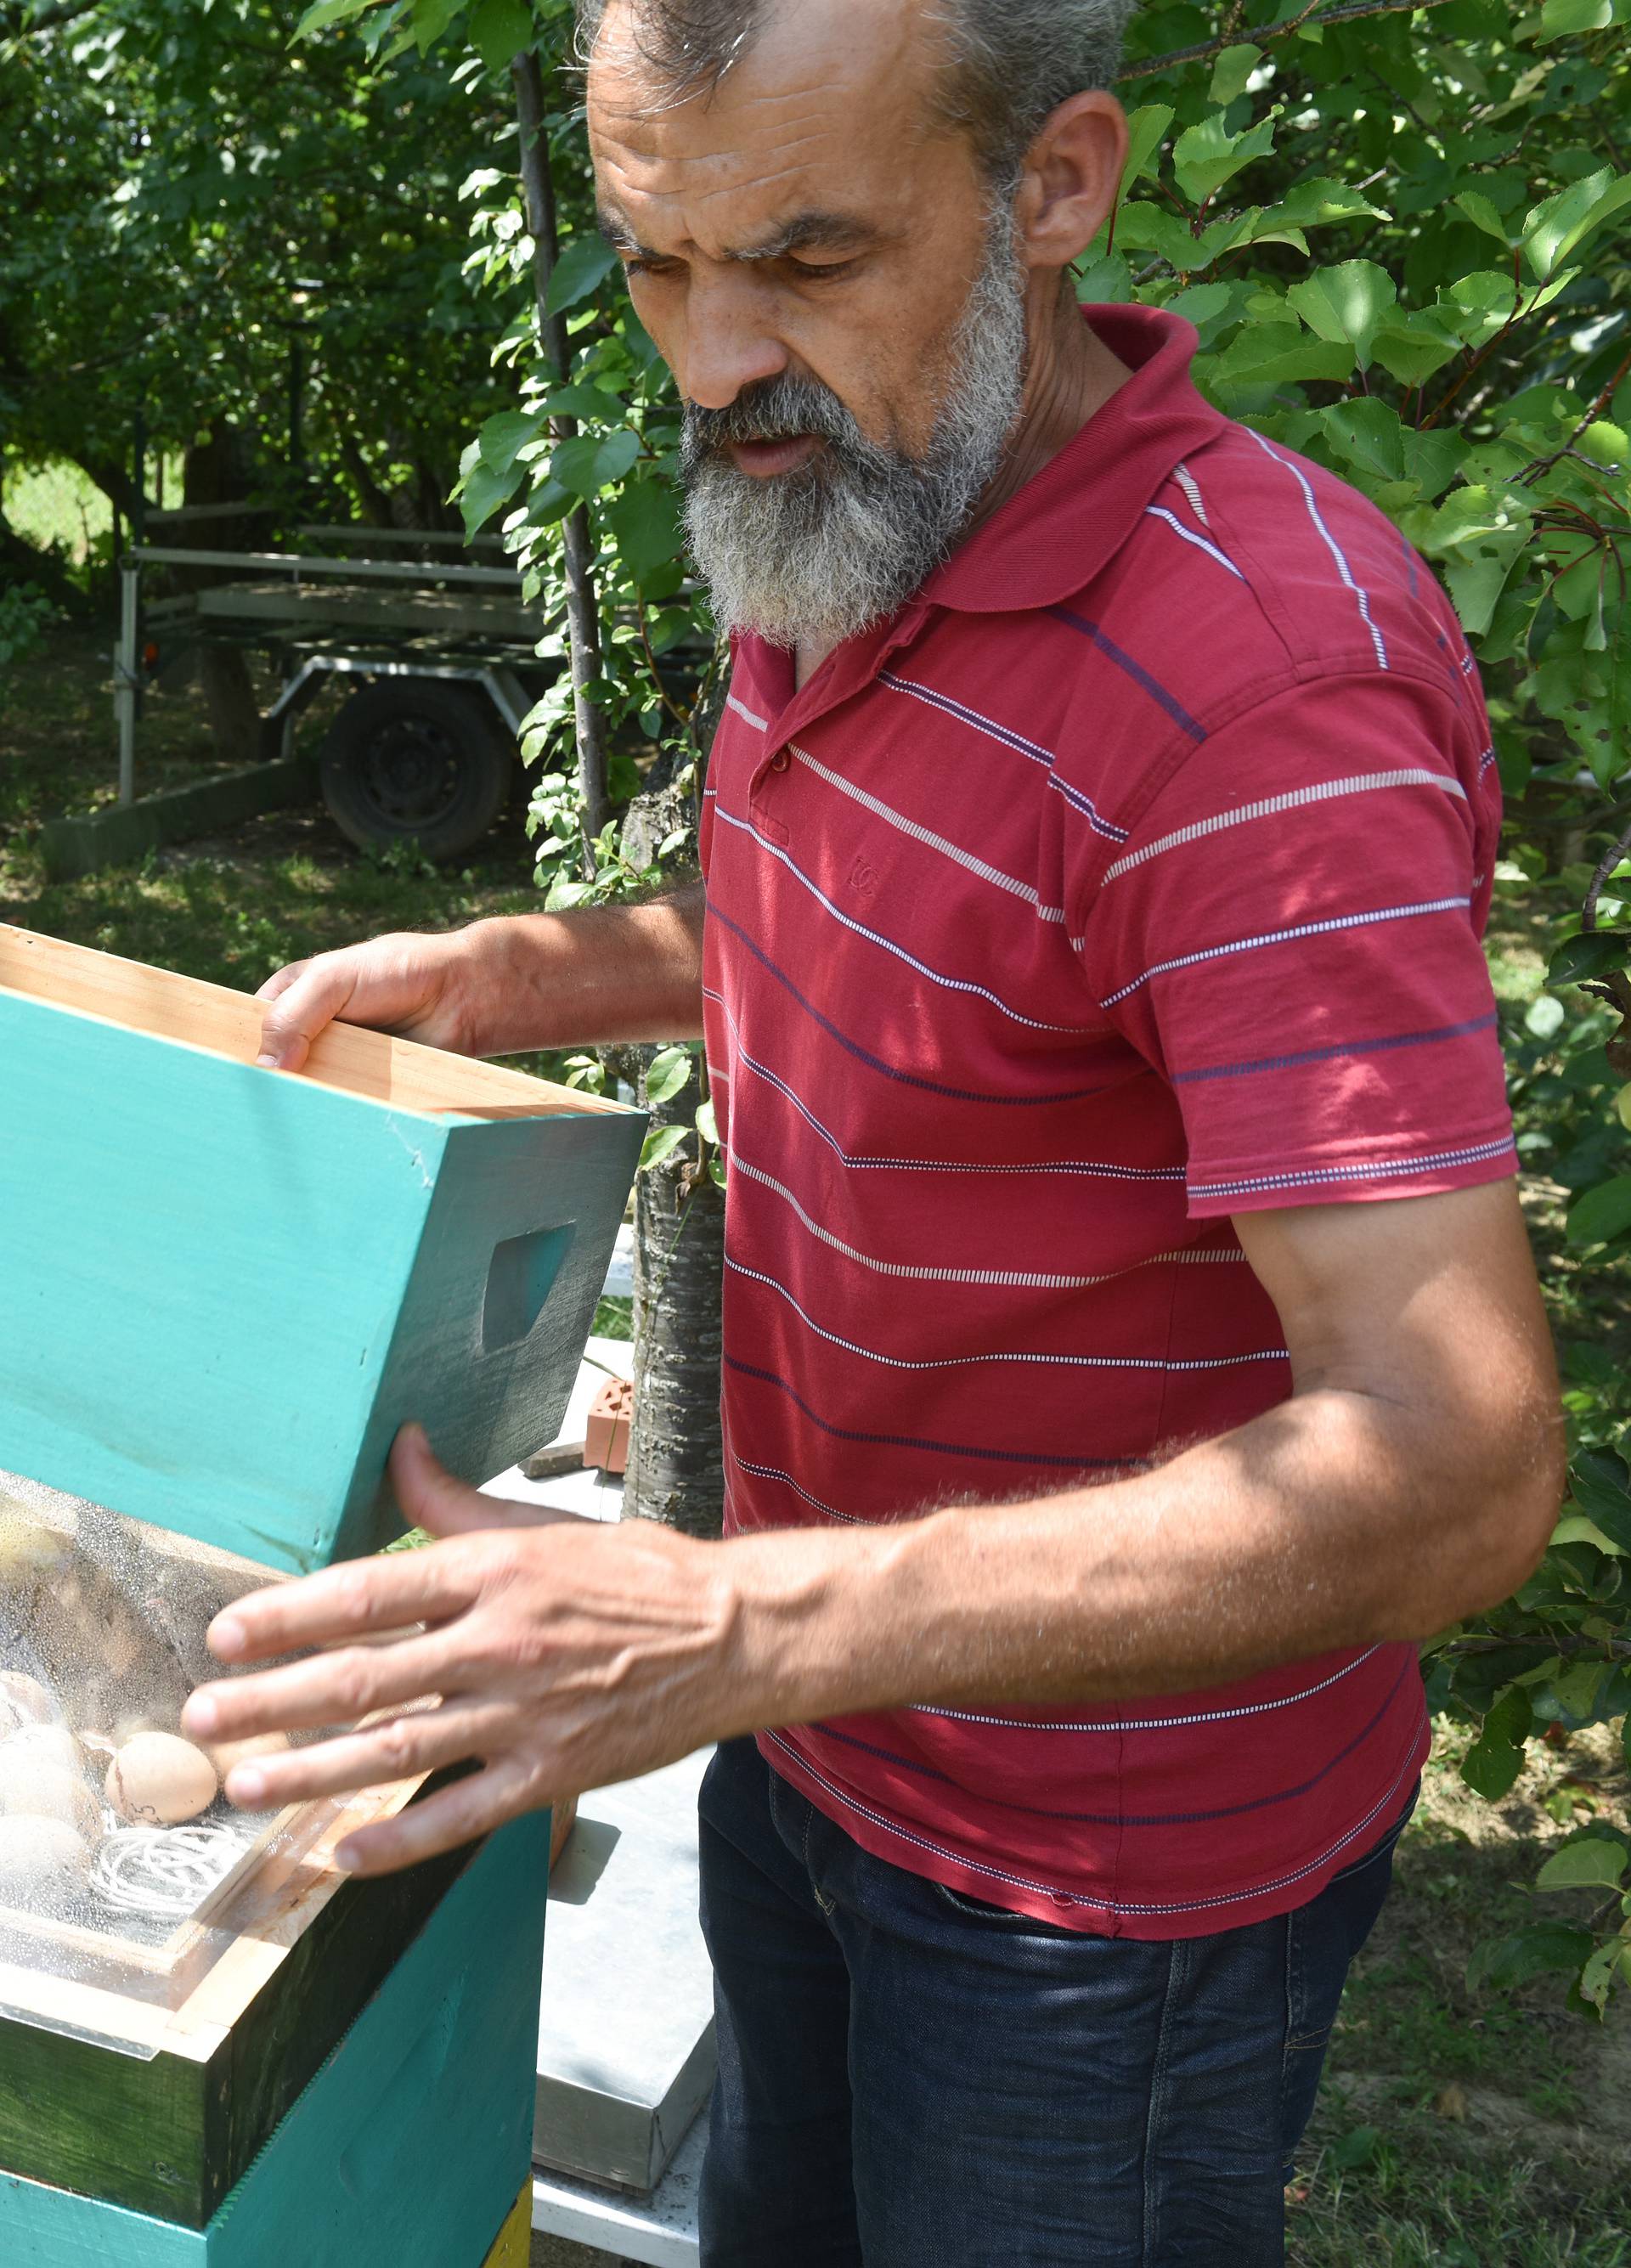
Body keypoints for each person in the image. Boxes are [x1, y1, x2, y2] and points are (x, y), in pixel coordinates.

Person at [181, 3, 1566, 2260]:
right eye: (655, 259)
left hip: (1095, 1909)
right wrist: (536, 972)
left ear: (1057, 183)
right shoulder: (865, 490)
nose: (719, 358)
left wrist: (745, 1627)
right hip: (820, 1730)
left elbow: (1461, 1456)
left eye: (810, 260)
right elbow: (898, 899)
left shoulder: (1266, 694)